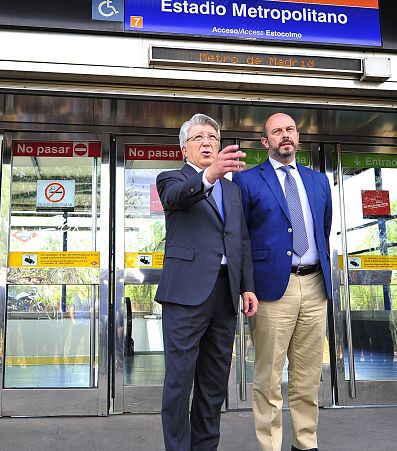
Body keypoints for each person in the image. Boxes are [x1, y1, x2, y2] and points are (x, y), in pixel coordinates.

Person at [156, 113, 258, 451]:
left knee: (214, 384)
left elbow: (240, 240)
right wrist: (210, 175)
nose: (206, 143)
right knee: (179, 382)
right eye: (198, 137)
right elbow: (176, 198)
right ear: (184, 148)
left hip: (225, 293)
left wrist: (247, 286)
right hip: (185, 295)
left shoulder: (232, 190)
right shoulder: (171, 178)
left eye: (212, 138)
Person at [233, 113, 332, 451]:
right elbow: (241, 238)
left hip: (315, 284)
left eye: (290, 129)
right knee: (269, 377)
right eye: (277, 131)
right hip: (272, 289)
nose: (285, 135)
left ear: (298, 137)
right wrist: (246, 285)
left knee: (308, 376)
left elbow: (323, 229)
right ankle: (270, 446)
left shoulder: (318, 181)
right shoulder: (246, 181)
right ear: (266, 142)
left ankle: (305, 443)